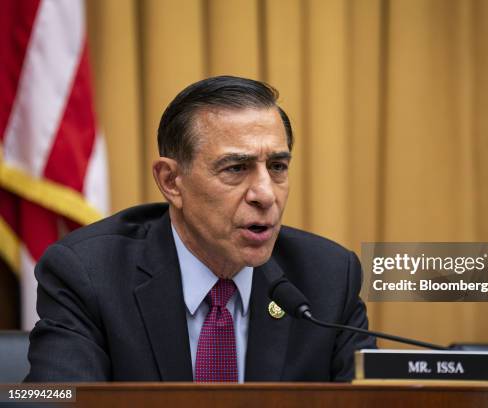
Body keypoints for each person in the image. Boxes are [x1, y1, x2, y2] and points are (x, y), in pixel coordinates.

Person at [25, 76, 375, 382]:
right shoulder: (89, 273)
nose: (266, 194)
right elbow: (56, 398)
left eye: (278, 166)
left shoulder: (328, 277)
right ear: (171, 181)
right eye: (236, 168)